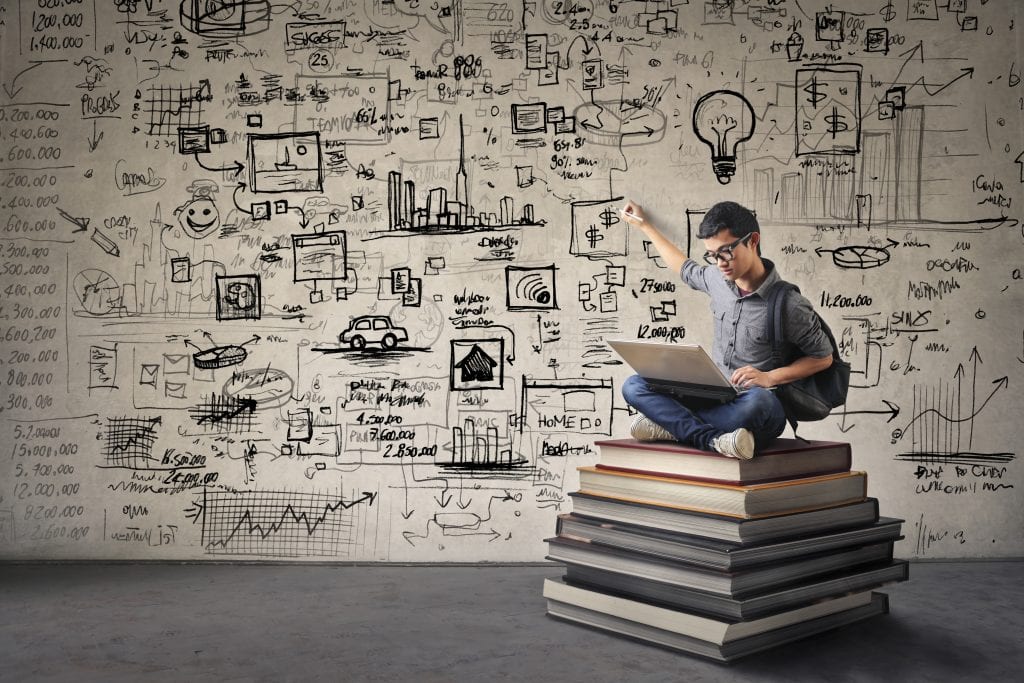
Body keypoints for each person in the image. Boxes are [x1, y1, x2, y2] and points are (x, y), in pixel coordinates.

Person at [618, 200, 834, 459]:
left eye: (726, 251)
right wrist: (645, 225)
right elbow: (684, 267)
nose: (719, 262)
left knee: (760, 403)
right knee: (634, 385)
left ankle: (671, 426)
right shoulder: (716, 279)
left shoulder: (790, 304)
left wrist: (769, 378)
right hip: (711, 396)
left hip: (751, 403)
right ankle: (712, 439)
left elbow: (823, 357)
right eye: (712, 255)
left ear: (752, 241)